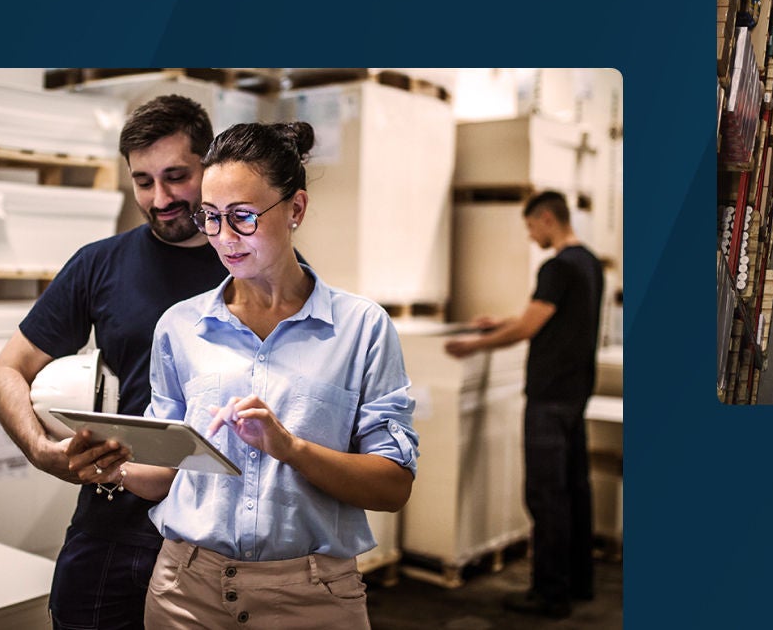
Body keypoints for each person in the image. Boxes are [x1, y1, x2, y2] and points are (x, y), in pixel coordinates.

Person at [73, 121, 418, 630]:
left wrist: (290, 448)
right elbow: (167, 473)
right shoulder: (180, 327)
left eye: (242, 217)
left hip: (313, 598)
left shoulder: (360, 328)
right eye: (210, 218)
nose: (224, 238)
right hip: (185, 593)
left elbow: (392, 488)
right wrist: (114, 465)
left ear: (295, 209)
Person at [0, 94, 230, 630]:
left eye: (176, 176)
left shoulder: (257, 264)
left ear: (209, 167)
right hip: (113, 526)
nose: (160, 197)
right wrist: (40, 450)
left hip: (218, 532)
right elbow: (6, 370)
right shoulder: (101, 263)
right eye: (143, 181)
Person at [441, 190, 604, 620]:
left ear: (547, 218)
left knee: (545, 495)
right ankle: (579, 582)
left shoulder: (556, 266)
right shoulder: (588, 262)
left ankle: (549, 594)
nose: (531, 236)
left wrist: (473, 346)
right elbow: (550, 317)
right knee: (575, 491)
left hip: (548, 398)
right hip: (574, 395)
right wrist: (501, 321)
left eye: (531, 226)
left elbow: (530, 327)